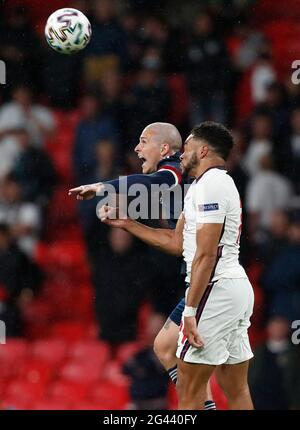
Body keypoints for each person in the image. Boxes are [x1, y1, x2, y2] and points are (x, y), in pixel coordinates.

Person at [100, 122, 254, 410]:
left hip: (215, 287)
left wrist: (192, 312)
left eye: (189, 147)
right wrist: (128, 224)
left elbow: (206, 255)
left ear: (204, 150)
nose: (183, 153)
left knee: (190, 390)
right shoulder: (201, 186)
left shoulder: (213, 184)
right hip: (227, 287)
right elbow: (177, 242)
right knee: (233, 386)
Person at [69, 122, 216, 409]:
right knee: (166, 349)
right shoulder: (179, 192)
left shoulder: (174, 168)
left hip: (212, 278)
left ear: (164, 149)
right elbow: (175, 242)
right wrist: (127, 223)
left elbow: (157, 182)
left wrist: (102, 186)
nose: (137, 148)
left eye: (143, 141)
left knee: (188, 360)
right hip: (199, 278)